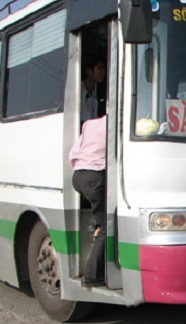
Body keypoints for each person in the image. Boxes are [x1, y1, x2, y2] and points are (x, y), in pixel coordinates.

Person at [69, 115, 107, 287]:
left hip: (78, 176)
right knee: (108, 226)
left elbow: (74, 152)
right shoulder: (115, 124)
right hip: (94, 176)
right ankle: (91, 275)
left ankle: (97, 227)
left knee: (101, 219)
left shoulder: (89, 124)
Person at [81, 56, 106, 123]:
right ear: (89, 71)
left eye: (103, 68)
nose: (103, 72)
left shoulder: (94, 94)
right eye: (99, 68)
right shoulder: (79, 92)